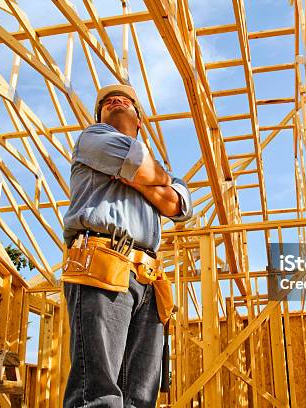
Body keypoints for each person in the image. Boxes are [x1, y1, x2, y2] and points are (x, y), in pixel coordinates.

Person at [61, 84, 192, 407]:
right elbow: (160, 185)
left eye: (125, 101)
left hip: (147, 277)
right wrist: (153, 182)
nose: (116, 101)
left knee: (140, 396)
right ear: (100, 116)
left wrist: (132, 175)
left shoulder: (160, 168)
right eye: (108, 102)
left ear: (139, 121)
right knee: (98, 392)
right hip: (103, 261)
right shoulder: (93, 138)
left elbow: (180, 207)